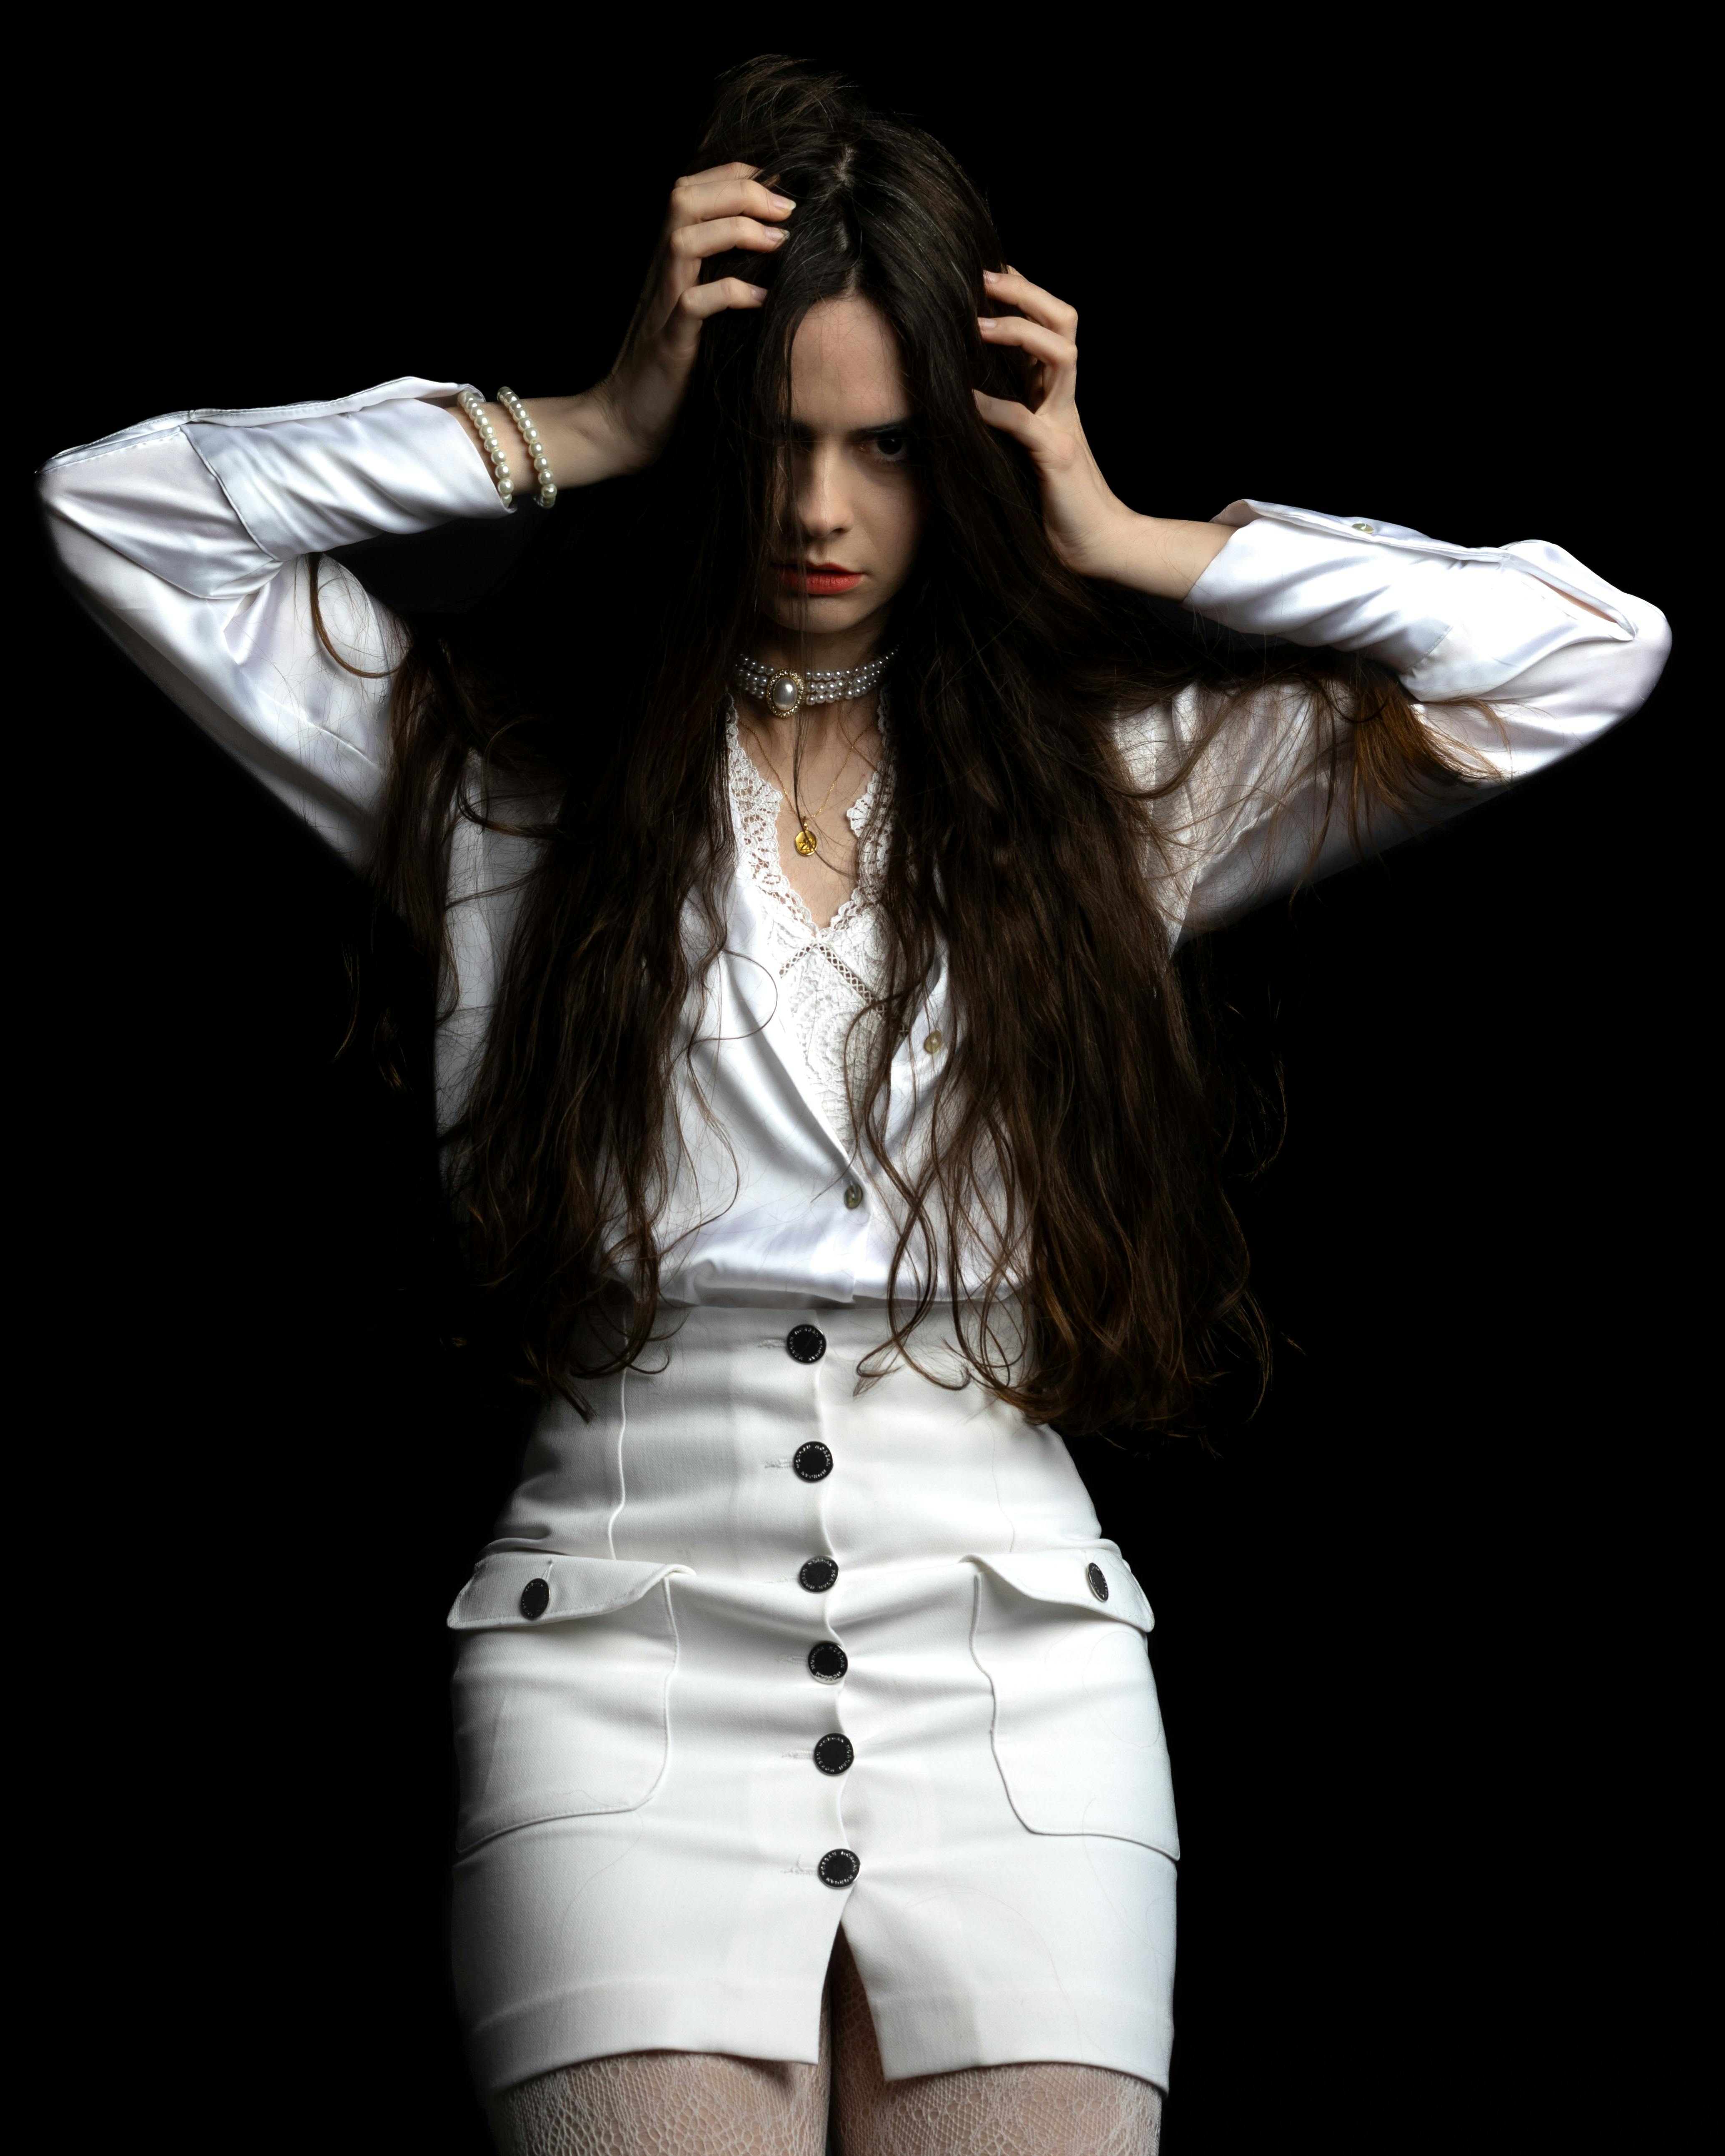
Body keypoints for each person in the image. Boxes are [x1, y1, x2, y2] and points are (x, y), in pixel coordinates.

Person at [37, 53, 1668, 2156]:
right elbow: (123, 514)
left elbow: (1573, 654)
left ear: (964, 451)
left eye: (888, 447)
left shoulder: (1118, 802)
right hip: (615, 1656)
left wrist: (1137, 536)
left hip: (1018, 1678)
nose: (819, 510)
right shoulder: (500, 791)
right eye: (774, 440)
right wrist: (576, 426)